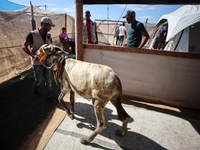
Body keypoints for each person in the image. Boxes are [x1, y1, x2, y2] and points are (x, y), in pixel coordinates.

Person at [22, 17, 58, 106]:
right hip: (37, 62)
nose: (50, 28)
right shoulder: (32, 34)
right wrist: (33, 55)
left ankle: (49, 97)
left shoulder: (49, 35)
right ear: (44, 24)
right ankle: (35, 88)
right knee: (39, 80)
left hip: (47, 61)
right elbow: (24, 46)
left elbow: (50, 46)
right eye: (50, 26)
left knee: (49, 80)